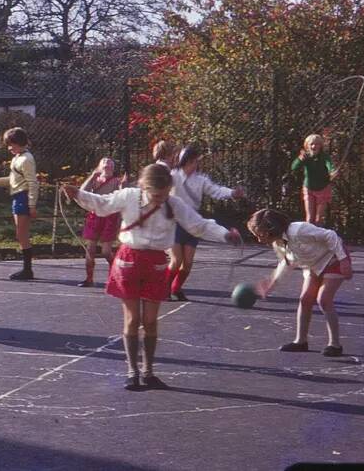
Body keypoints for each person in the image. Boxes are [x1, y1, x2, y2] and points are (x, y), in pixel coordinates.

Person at [63, 164, 240, 391]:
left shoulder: (173, 204)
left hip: (156, 264)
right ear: (144, 187)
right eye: (157, 195)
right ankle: (132, 371)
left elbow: (199, 225)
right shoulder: (129, 196)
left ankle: (148, 371)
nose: (161, 199)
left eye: (165, 194)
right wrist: (78, 193)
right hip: (129, 261)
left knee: (150, 321)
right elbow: (103, 204)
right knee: (132, 319)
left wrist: (225, 234)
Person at [247, 209, 353, 357]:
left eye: (260, 235)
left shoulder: (299, 230)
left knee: (324, 299)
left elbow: (331, 236)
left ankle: (335, 345)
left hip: (333, 259)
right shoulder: (278, 243)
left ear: (272, 229)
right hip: (313, 266)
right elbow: (286, 263)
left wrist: (343, 260)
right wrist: (272, 283)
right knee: (305, 300)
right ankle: (301, 342)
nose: (259, 239)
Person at [168, 146, 245, 301]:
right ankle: (163, 288)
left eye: (195, 161)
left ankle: (175, 289)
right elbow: (159, 185)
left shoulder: (200, 180)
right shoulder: (173, 176)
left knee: (188, 263)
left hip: (193, 224)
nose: (195, 164)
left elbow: (216, 190)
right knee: (176, 260)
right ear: (184, 161)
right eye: (192, 161)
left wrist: (232, 193)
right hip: (175, 224)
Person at [0, 127, 40, 281]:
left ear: (19, 143)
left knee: (21, 235)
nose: (9, 148)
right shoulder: (17, 158)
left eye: (11, 144)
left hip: (23, 197)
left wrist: (32, 204)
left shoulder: (26, 159)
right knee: (20, 235)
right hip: (17, 196)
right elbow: (13, 180)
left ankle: (27, 270)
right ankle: (26, 269)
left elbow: (32, 183)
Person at [78, 157, 124, 287]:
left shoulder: (116, 182)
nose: (107, 164)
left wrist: (122, 186)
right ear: (99, 167)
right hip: (95, 215)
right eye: (104, 162)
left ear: (113, 168)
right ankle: (89, 278)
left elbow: (121, 198)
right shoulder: (95, 180)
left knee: (106, 251)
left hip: (110, 217)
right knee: (90, 249)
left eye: (110, 163)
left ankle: (114, 276)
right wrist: (92, 176)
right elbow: (82, 192)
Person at [289, 134, 339, 225]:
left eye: (317, 144)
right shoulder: (305, 156)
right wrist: (300, 160)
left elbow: (329, 165)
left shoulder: (324, 156)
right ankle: (309, 237)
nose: (314, 146)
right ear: (307, 145)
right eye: (311, 144)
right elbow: (294, 167)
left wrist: (332, 171)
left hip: (323, 188)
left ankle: (318, 237)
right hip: (309, 188)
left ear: (321, 146)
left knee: (319, 219)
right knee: (309, 218)